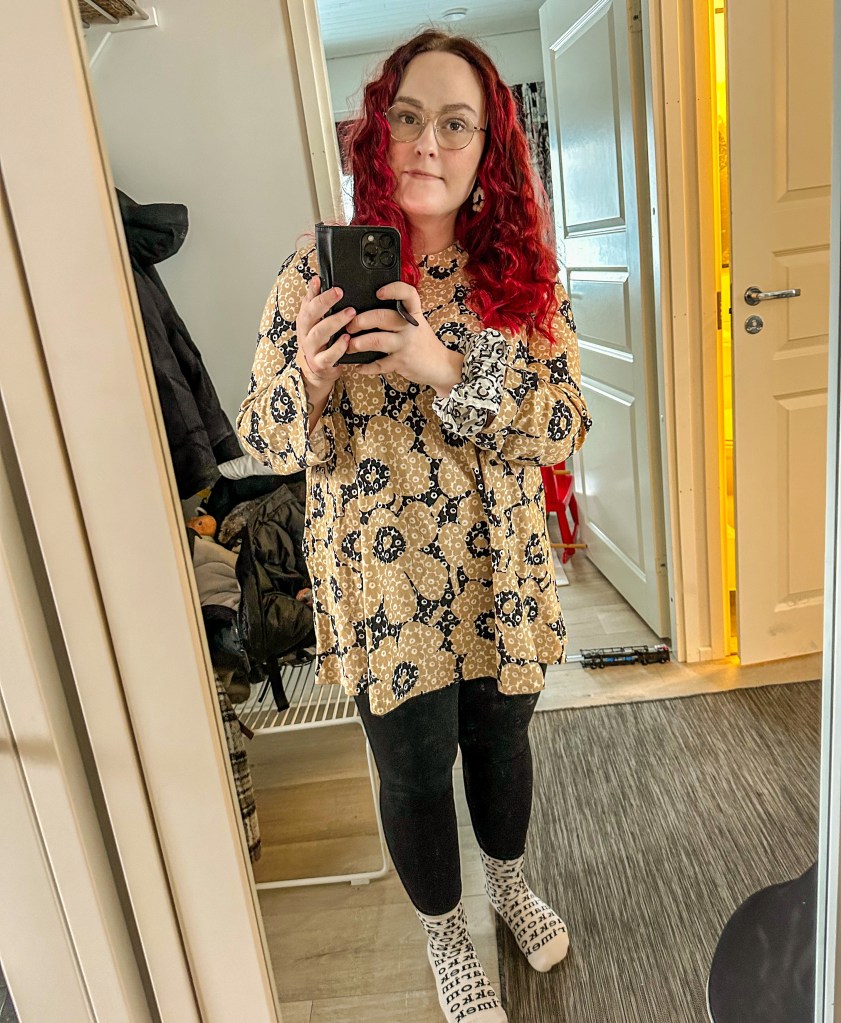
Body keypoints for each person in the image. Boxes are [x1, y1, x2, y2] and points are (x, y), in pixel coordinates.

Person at [237, 29, 592, 1023]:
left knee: (501, 746)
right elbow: (259, 435)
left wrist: (446, 368)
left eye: (454, 123)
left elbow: (563, 425)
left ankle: (509, 883)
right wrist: (310, 378)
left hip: (498, 571)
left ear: (488, 150)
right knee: (413, 769)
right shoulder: (312, 271)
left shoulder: (518, 275)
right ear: (377, 131)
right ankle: (445, 933)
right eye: (406, 117)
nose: (426, 142)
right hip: (383, 584)